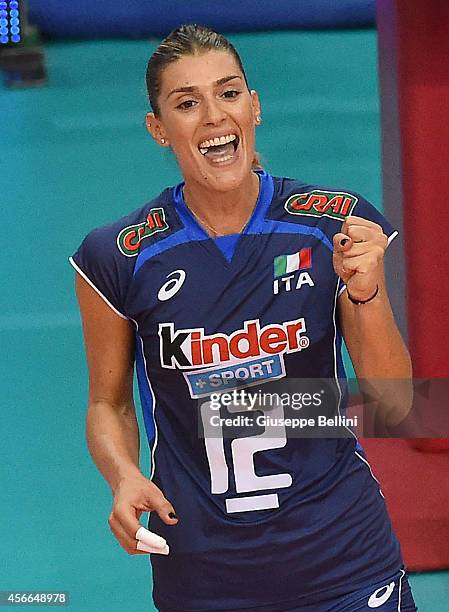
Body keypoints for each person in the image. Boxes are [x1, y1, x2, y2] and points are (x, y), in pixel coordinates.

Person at [70, 24, 417, 612]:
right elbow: (110, 403)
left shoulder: (333, 223)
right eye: (186, 103)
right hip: (204, 577)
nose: (212, 116)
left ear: (254, 108)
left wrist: (367, 293)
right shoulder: (119, 255)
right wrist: (123, 474)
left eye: (228, 93)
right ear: (158, 129)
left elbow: (396, 404)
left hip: (349, 564)